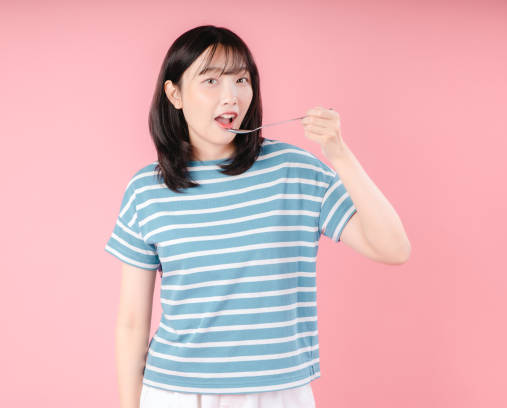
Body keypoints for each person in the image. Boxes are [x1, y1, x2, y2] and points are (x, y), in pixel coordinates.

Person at [105, 25, 411, 408]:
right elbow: (132, 321)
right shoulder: (147, 190)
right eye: (211, 80)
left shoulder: (295, 171)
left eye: (241, 79)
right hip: (176, 393)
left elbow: (394, 248)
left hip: (279, 391)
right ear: (175, 94)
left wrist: (339, 153)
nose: (231, 96)